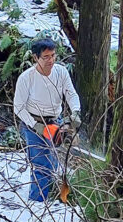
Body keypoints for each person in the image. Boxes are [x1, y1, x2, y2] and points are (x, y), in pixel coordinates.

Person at [13, 38, 81, 202]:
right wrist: (36, 126)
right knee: (40, 165)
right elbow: (18, 107)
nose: (50, 60)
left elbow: (70, 94)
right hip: (33, 123)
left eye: (53, 55)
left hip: (54, 120)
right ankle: (36, 202)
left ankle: (50, 193)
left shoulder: (61, 72)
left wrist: (75, 112)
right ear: (36, 58)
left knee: (54, 161)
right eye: (46, 57)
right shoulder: (26, 78)